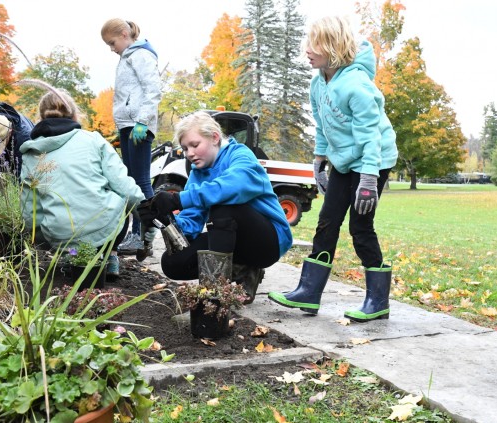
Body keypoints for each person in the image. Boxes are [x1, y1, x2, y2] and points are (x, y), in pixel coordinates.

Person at [268, 16, 398, 322]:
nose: (307, 51)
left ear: (333, 47)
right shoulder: (318, 83)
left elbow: (371, 135)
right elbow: (323, 124)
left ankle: (377, 301)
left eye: (314, 44)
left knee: (360, 227)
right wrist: (319, 159)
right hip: (344, 161)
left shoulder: (356, 85)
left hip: (373, 159)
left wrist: (368, 177)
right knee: (327, 222)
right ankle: (309, 292)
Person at [138, 111, 293, 303]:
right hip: (232, 236)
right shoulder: (198, 172)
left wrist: (178, 199)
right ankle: (241, 272)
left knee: (223, 208)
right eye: (185, 149)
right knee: (173, 262)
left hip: (268, 242)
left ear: (215, 138)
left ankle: (216, 297)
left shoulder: (241, 155)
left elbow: (233, 187)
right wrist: (165, 221)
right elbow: (191, 224)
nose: (190, 153)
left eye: (195, 145)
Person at [19, 89, 146, 282]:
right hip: (104, 231)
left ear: (40, 117)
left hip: (60, 238)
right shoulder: (93, 140)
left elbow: (29, 212)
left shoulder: (31, 153)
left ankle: (74, 256)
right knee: (120, 196)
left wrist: (45, 239)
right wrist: (147, 217)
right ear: (74, 114)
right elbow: (125, 188)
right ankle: (110, 255)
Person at [101, 18, 162, 262]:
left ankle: (143, 233)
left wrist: (143, 121)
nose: (111, 48)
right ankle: (136, 235)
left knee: (140, 181)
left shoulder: (141, 55)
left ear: (125, 34)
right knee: (129, 181)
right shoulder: (127, 57)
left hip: (138, 125)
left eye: (112, 42)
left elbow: (153, 88)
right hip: (129, 126)